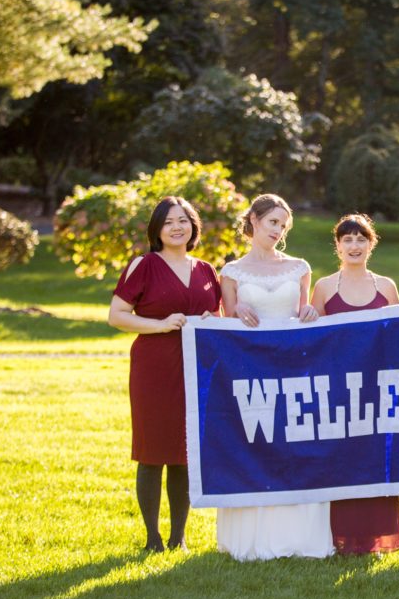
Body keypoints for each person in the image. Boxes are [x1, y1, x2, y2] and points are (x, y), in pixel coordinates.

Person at [215, 194, 334, 561]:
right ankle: (251, 538)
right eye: (272, 222)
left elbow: (303, 313)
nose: (278, 230)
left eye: (283, 225)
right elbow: (226, 327)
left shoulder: (299, 267)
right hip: (250, 369)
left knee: (296, 441)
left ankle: (300, 537)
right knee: (257, 439)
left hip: (294, 366)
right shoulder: (231, 272)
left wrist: (311, 312)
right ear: (253, 220)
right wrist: (238, 311)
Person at [109, 196, 223, 552]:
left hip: (194, 366)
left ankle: (179, 537)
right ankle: (152, 538)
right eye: (169, 221)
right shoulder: (143, 265)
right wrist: (159, 325)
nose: (177, 227)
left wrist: (209, 323)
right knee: (151, 450)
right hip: (154, 367)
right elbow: (117, 315)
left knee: (184, 451)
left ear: (194, 227)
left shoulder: (206, 270)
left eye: (184, 220)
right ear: (157, 229)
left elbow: (218, 318)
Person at [310, 213, 399, 555]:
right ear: (337, 246)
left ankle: (379, 538)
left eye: (361, 239)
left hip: (377, 390)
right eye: (347, 240)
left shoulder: (387, 286)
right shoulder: (323, 287)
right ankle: (339, 537)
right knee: (341, 460)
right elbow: (312, 341)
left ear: (371, 244)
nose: (354, 246)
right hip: (338, 390)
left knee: (376, 460)